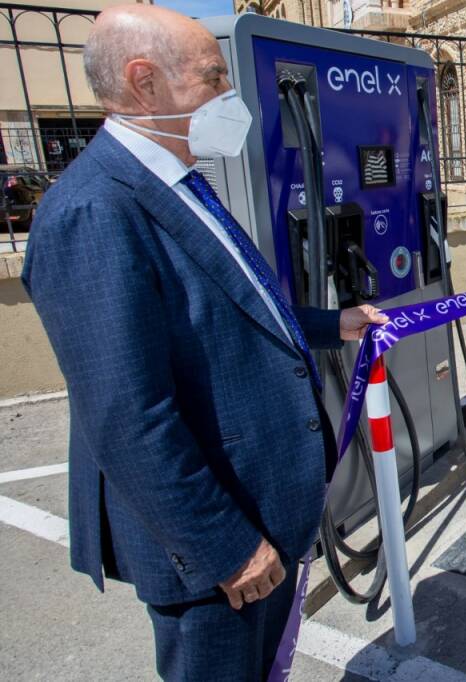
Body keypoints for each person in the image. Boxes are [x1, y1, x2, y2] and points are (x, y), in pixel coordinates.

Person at [20, 6, 387, 679]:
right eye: (214, 77)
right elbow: (127, 417)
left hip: (264, 516)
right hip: (219, 547)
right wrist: (227, 548)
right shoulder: (93, 210)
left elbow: (231, 316)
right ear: (144, 81)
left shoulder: (180, 184)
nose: (230, 95)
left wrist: (330, 326)